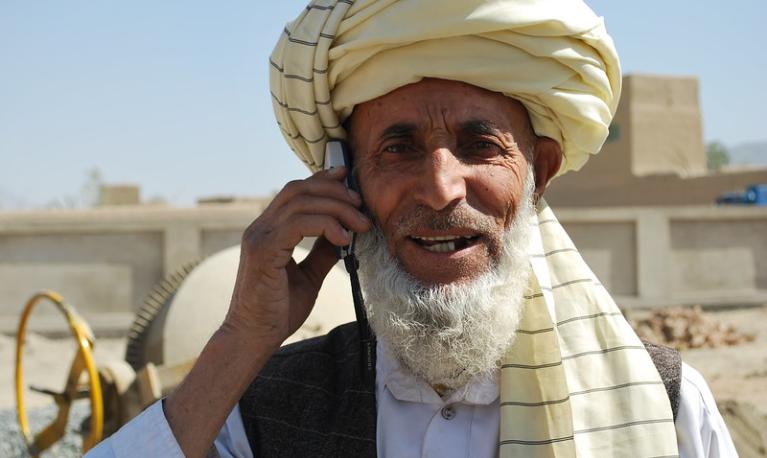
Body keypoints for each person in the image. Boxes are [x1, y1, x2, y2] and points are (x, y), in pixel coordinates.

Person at [88, 1, 737, 457]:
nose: (439, 187)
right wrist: (240, 340)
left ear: (538, 172)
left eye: (479, 144)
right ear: (346, 182)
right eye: (397, 149)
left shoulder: (664, 405)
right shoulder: (263, 411)